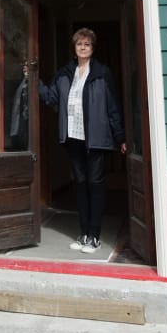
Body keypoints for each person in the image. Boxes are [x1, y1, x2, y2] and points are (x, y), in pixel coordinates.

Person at [39, 27, 127, 254]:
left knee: (94, 185)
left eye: (87, 44)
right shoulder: (65, 73)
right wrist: (33, 78)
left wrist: (120, 137)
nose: (83, 47)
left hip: (96, 140)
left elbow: (113, 106)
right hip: (73, 138)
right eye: (80, 44)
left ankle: (94, 236)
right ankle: (84, 234)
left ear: (93, 48)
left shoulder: (102, 73)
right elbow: (50, 97)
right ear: (74, 47)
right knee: (80, 185)